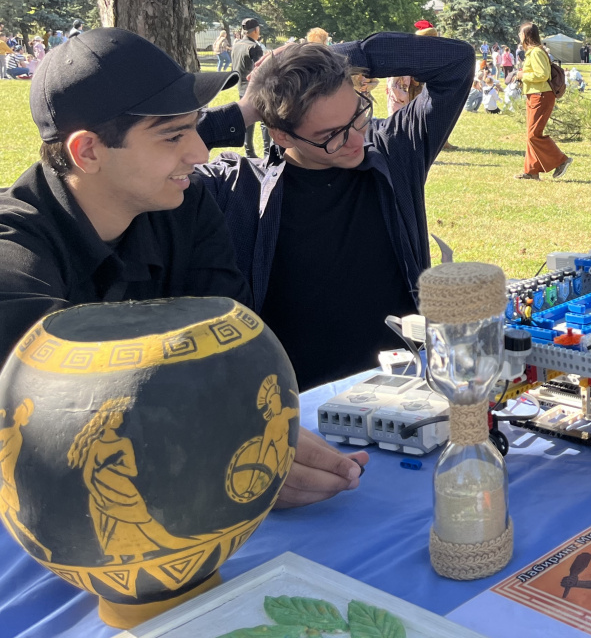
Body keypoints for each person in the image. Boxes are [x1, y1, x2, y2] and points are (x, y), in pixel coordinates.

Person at [0, 28, 365, 507]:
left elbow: (231, 348)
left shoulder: (185, 204)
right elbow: (56, 407)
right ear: (87, 151)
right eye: (173, 135)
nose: (198, 152)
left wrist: (259, 433)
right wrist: (213, 453)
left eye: (195, 126)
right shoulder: (13, 252)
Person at [195, 32, 475, 391]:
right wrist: (248, 109)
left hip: (407, 388)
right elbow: (151, 150)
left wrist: (334, 56)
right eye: (332, 135)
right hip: (296, 407)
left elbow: (455, 61)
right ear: (281, 135)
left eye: (359, 115)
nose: (358, 140)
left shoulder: (394, 152)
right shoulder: (236, 188)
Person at [513, 22, 570, 181]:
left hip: (541, 95)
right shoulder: (533, 52)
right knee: (531, 134)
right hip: (536, 95)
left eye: (520, 33)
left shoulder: (536, 52)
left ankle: (561, 161)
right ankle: (531, 171)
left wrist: (522, 75)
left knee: (533, 135)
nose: (519, 36)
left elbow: (543, 75)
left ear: (526, 35)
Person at [231, 18, 265, 159]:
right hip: (254, 88)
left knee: (247, 120)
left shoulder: (237, 44)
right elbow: (262, 69)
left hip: (241, 86)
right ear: (256, 30)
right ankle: (268, 152)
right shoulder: (254, 47)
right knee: (265, 121)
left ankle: (249, 152)